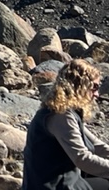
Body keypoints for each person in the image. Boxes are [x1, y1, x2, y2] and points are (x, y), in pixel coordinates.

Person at [22, 59, 109, 189]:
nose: (96, 94)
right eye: (94, 87)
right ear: (80, 86)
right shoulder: (61, 116)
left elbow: (97, 146)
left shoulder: (64, 112)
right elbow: (82, 158)